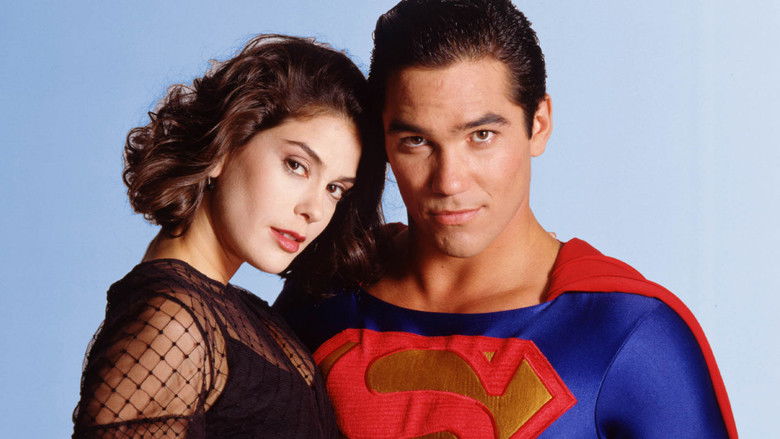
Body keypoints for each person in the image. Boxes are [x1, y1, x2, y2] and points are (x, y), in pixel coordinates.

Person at [275, 1, 738, 437]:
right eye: (416, 141)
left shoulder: (628, 333)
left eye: (481, 135)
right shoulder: (325, 293)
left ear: (539, 124)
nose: (449, 181)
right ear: (383, 142)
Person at [71, 34, 385, 438]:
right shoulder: (171, 322)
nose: (315, 210)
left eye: (335, 189)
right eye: (296, 165)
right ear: (224, 146)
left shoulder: (241, 314)